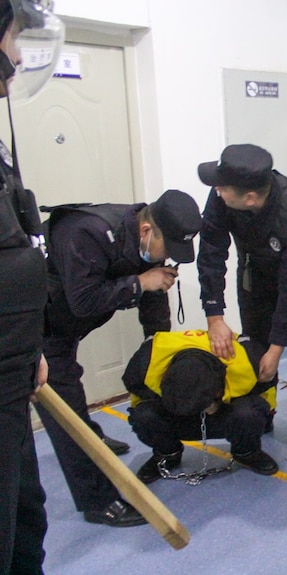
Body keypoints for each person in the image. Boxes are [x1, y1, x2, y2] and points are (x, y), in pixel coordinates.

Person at [37, 189, 202, 527]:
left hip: (63, 321)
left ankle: (93, 437)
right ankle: (98, 501)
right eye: (168, 250)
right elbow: (83, 301)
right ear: (147, 231)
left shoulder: (147, 237)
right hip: (34, 325)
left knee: (71, 388)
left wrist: (158, 350)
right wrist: (140, 283)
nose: (167, 257)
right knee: (65, 413)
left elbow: (154, 295)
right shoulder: (86, 233)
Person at [197, 144, 287, 465]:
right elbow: (212, 252)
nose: (217, 190)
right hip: (256, 270)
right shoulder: (222, 195)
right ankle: (262, 414)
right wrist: (214, 315)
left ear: (250, 198)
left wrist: (278, 349)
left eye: (223, 187)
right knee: (255, 342)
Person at [0, 1, 62, 571]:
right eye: (15, 37)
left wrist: (28, 350)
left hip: (14, 372)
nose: (18, 56)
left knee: (25, 523)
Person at [122, 329, 278, 483]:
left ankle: (246, 451)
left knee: (249, 412)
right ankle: (167, 453)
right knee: (144, 415)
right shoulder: (145, 362)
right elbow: (137, 396)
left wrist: (225, 405)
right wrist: (170, 402)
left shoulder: (248, 360)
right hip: (174, 406)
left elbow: (267, 393)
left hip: (222, 409)